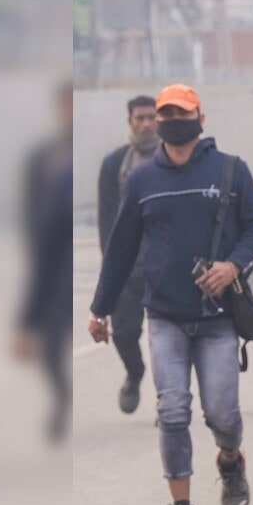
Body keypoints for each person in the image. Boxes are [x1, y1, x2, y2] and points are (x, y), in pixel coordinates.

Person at [88, 84, 253, 505]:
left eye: (179, 112)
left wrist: (232, 265)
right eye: (165, 113)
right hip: (165, 316)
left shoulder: (230, 170)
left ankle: (231, 461)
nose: (170, 120)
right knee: (172, 410)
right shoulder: (142, 181)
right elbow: (121, 247)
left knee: (222, 414)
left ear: (200, 118)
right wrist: (100, 309)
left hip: (218, 320)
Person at [16, 82, 74, 442]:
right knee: (50, 347)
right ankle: (61, 398)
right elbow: (32, 214)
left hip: (75, 262)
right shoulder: (42, 158)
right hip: (51, 263)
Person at [96, 94, 159, 413]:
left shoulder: (175, 158)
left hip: (166, 265)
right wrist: (111, 270)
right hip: (128, 267)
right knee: (123, 333)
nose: (147, 124)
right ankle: (134, 374)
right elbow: (107, 221)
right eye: (140, 118)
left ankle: (170, 403)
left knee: (168, 338)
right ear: (130, 122)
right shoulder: (114, 164)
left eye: (152, 117)